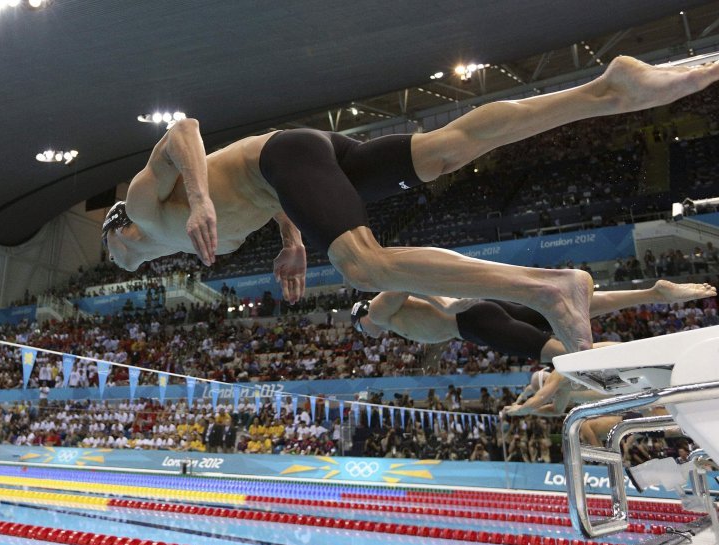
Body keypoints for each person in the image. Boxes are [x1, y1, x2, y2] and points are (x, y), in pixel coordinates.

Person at [102, 56, 719, 354]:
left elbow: (183, 129)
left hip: (287, 155)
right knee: (448, 150)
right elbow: (270, 197)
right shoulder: (206, 247)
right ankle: (607, 89)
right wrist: (291, 242)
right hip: (302, 163)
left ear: (117, 231)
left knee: (364, 268)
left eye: (110, 253)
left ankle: (548, 286)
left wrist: (201, 198)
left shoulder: (143, 205)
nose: (113, 265)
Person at [350, 280, 716, 363]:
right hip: (484, 309)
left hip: (474, 322)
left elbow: (400, 278)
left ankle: (653, 358)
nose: (367, 334)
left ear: (361, 317)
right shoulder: (395, 317)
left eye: (361, 329)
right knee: (571, 311)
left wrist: (445, 303)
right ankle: (652, 292)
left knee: (563, 356)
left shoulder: (379, 312)